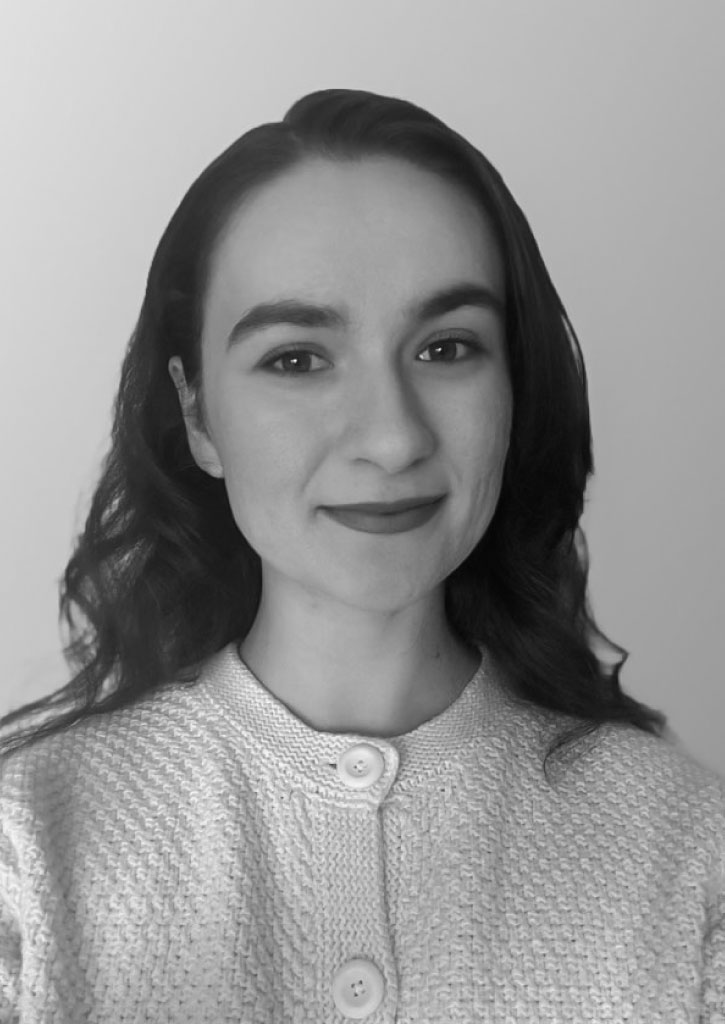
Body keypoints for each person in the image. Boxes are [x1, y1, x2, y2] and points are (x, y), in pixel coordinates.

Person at [0, 88, 722, 1022]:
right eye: (297, 359)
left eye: (447, 348)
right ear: (197, 414)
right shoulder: (29, 857)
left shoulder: (688, 860)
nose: (391, 438)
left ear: (514, 389)